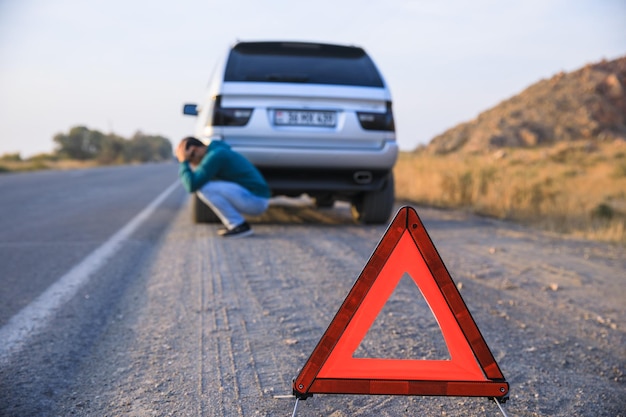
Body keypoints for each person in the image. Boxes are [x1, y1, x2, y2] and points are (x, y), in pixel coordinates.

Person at [175, 136, 271, 237]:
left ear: (195, 149)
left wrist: (183, 162)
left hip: (256, 200)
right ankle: (236, 224)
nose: (192, 164)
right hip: (255, 198)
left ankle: (238, 225)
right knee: (207, 186)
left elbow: (191, 185)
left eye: (190, 159)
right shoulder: (216, 152)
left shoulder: (215, 156)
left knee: (205, 188)